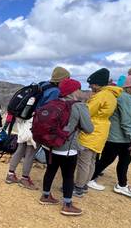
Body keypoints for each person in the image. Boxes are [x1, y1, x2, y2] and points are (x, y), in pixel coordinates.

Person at [5, 67, 70, 189]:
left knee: (21, 148)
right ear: (62, 79)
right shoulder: (55, 91)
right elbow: (48, 111)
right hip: (35, 122)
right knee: (30, 152)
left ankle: (10, 174)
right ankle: (24, 178)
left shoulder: (43, 84)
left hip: (24, 120)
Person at [38, 79, 94, 216]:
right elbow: (89, 128)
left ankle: (45, 196)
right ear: (73, 91)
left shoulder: (52, 103)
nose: (81, 92)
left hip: (48, 145)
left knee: (50, 170)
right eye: (79, 89)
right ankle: (67, 205)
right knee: (68, 176)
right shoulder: (79, 107)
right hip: (67, 148)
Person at [89, 73, 131, 198]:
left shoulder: (123, 96)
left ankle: (121, 184)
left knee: (119, 159)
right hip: (118, 137)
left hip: (117, 135)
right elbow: (127, 120)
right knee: (110, 159)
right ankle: (92, 179)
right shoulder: (125, 98)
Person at [74, 68, 122, 197]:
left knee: (84, 161)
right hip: (101, 131)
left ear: (98, 83)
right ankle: (84, 185)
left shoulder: (101, 96)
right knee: (92, 160)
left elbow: (87, 112)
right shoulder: (111, 95)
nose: (90, 86)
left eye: (92, 83)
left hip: (92, 130)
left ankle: (78, 187)